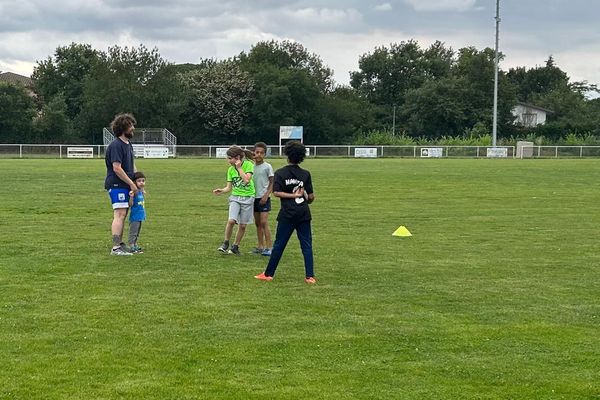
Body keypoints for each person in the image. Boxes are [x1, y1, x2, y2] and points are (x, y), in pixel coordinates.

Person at [255, 141, 316, 283]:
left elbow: (276, 193)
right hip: (303, 213)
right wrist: (303, 195)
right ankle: (310, 276)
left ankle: (268, 274)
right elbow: (311, 197)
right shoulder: (305, 174)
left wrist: (292, 196)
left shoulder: (281, 173)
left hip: (287, 214)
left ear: (287, 155)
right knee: (306, 244)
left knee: (279, 244)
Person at [104, 113, 138, 256]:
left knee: (123, 214)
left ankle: (120, 244)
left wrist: (137, 180)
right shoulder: (116, 145)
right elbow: (117, 168)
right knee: (119, 214)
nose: (133, 128)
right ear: (123, 128)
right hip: (117, 185)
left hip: (125, 185)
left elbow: (132, 165)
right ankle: (116, 247)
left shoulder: (127, 144)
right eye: (131, 126)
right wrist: (131, 183)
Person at [213, 145, 256, 255]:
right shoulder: (230, 170)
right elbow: (229, 187)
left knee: (242, 225)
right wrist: (222, 190)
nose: (228, 160)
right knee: (231, 220)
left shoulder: (248, 165)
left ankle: (235, 246)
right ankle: (225, 243)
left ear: (237, 158)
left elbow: (246, 180)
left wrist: (239, 168)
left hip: (248, 197)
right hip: (235, 198)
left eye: (229, 158)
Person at [250, 142, 274, 256]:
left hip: (264, 198)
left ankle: (269, 247)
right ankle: (260, 246)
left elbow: (272, 182)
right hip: (253, 198)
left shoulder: (267, 166)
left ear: (265, 154)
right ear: (253, 153)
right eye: (257, 152)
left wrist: (266, 195)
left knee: (264, 222)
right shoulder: (250, 166)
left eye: (261, 153)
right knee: (258, 223)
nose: (259, 155)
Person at [128, 171, 146, 254]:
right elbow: (130, 205)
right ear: (134, 182)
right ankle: (131, 245)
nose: (141, 183)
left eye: (143, 181)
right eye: (139, 181)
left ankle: (135, 244)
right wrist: (131, 197)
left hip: (140, 216)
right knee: (133, 232)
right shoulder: (134, 192)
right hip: (135, 216)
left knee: (138, 232)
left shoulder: (141, 192)